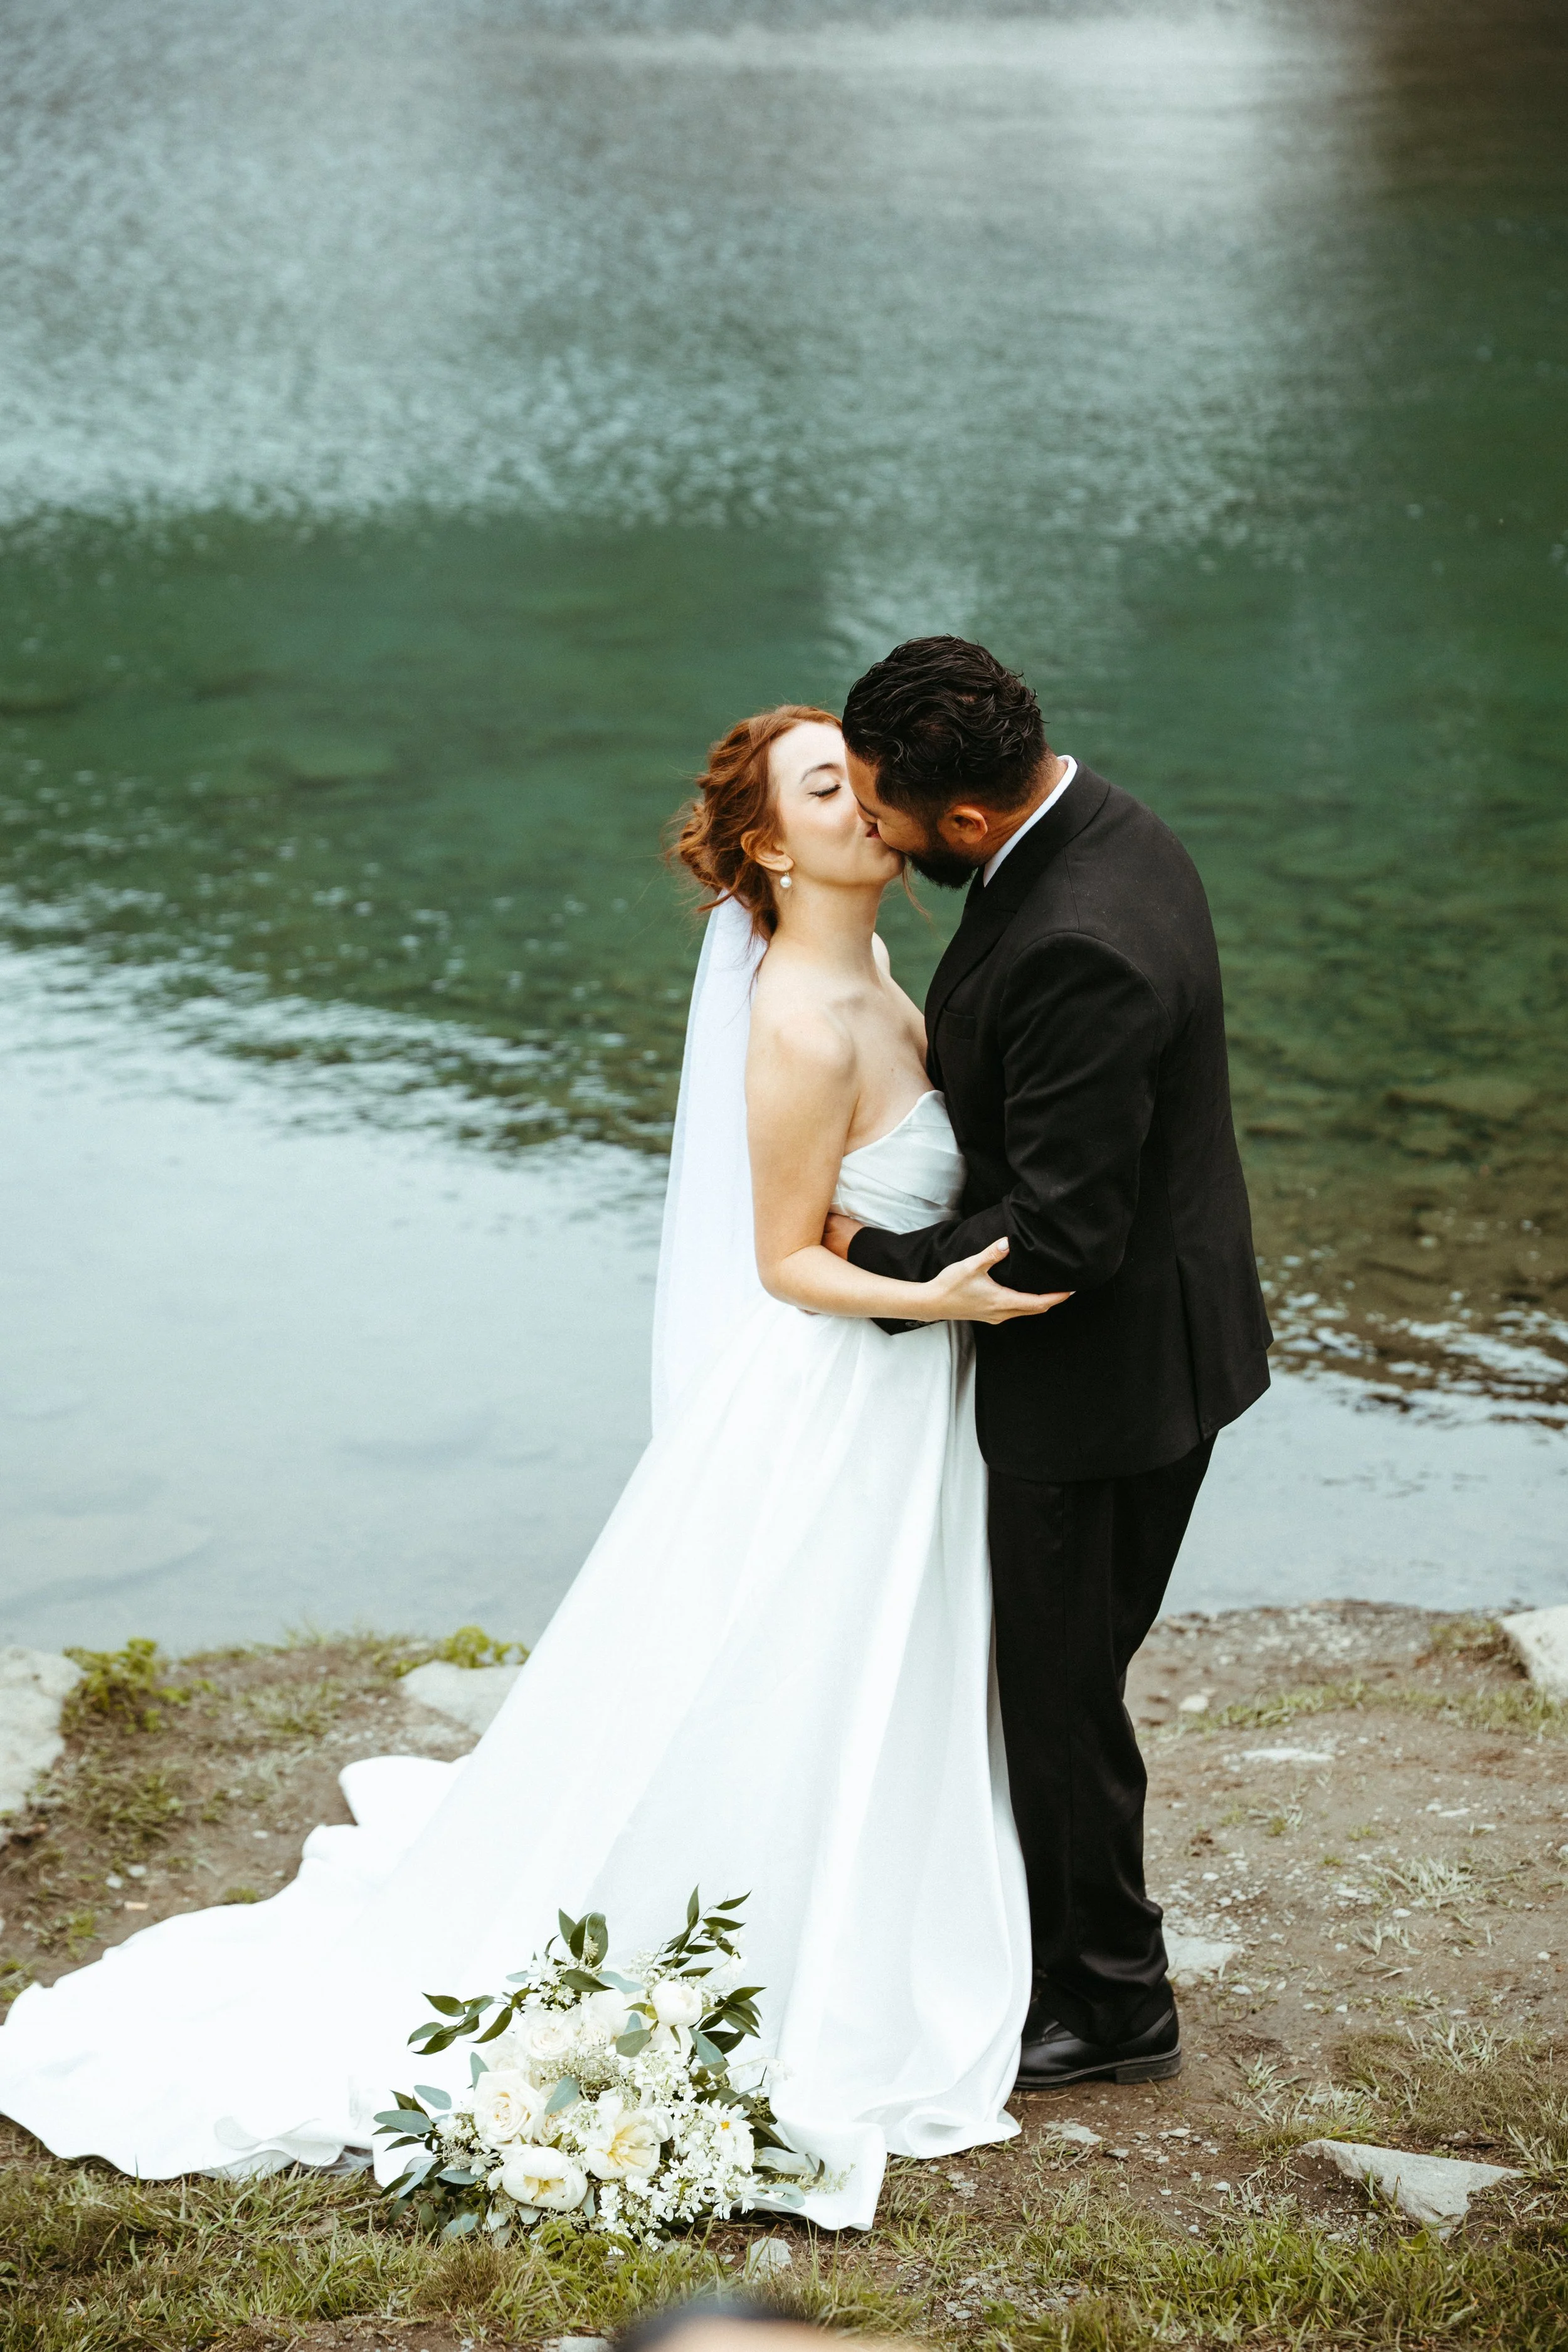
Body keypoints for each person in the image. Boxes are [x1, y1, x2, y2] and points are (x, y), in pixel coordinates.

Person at [0, 704, 1058, 2230]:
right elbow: (780, 1261)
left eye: (865, 776)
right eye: (828, 786)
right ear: (768, 842)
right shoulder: (794, 1017)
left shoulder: (881, 968)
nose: (868, 799)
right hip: (838, 1392)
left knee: (874, 1674)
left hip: (896, 1405)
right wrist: (938, 1295)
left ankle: (885, 1913)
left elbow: (842, 1207)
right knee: (789, 1673)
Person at [827, 638, 1272, 2090]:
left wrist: (856, 1266)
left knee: (1058, 1692)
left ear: (965, 818)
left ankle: (1111, 2000)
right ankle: (1048, 1943)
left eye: (887, 813)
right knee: (1057, 1677)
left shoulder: (1077, 935)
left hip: (1105, 1386)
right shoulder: (1103, 825)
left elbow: (1062, 1240)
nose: (877, 837)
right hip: (1163, 1335)